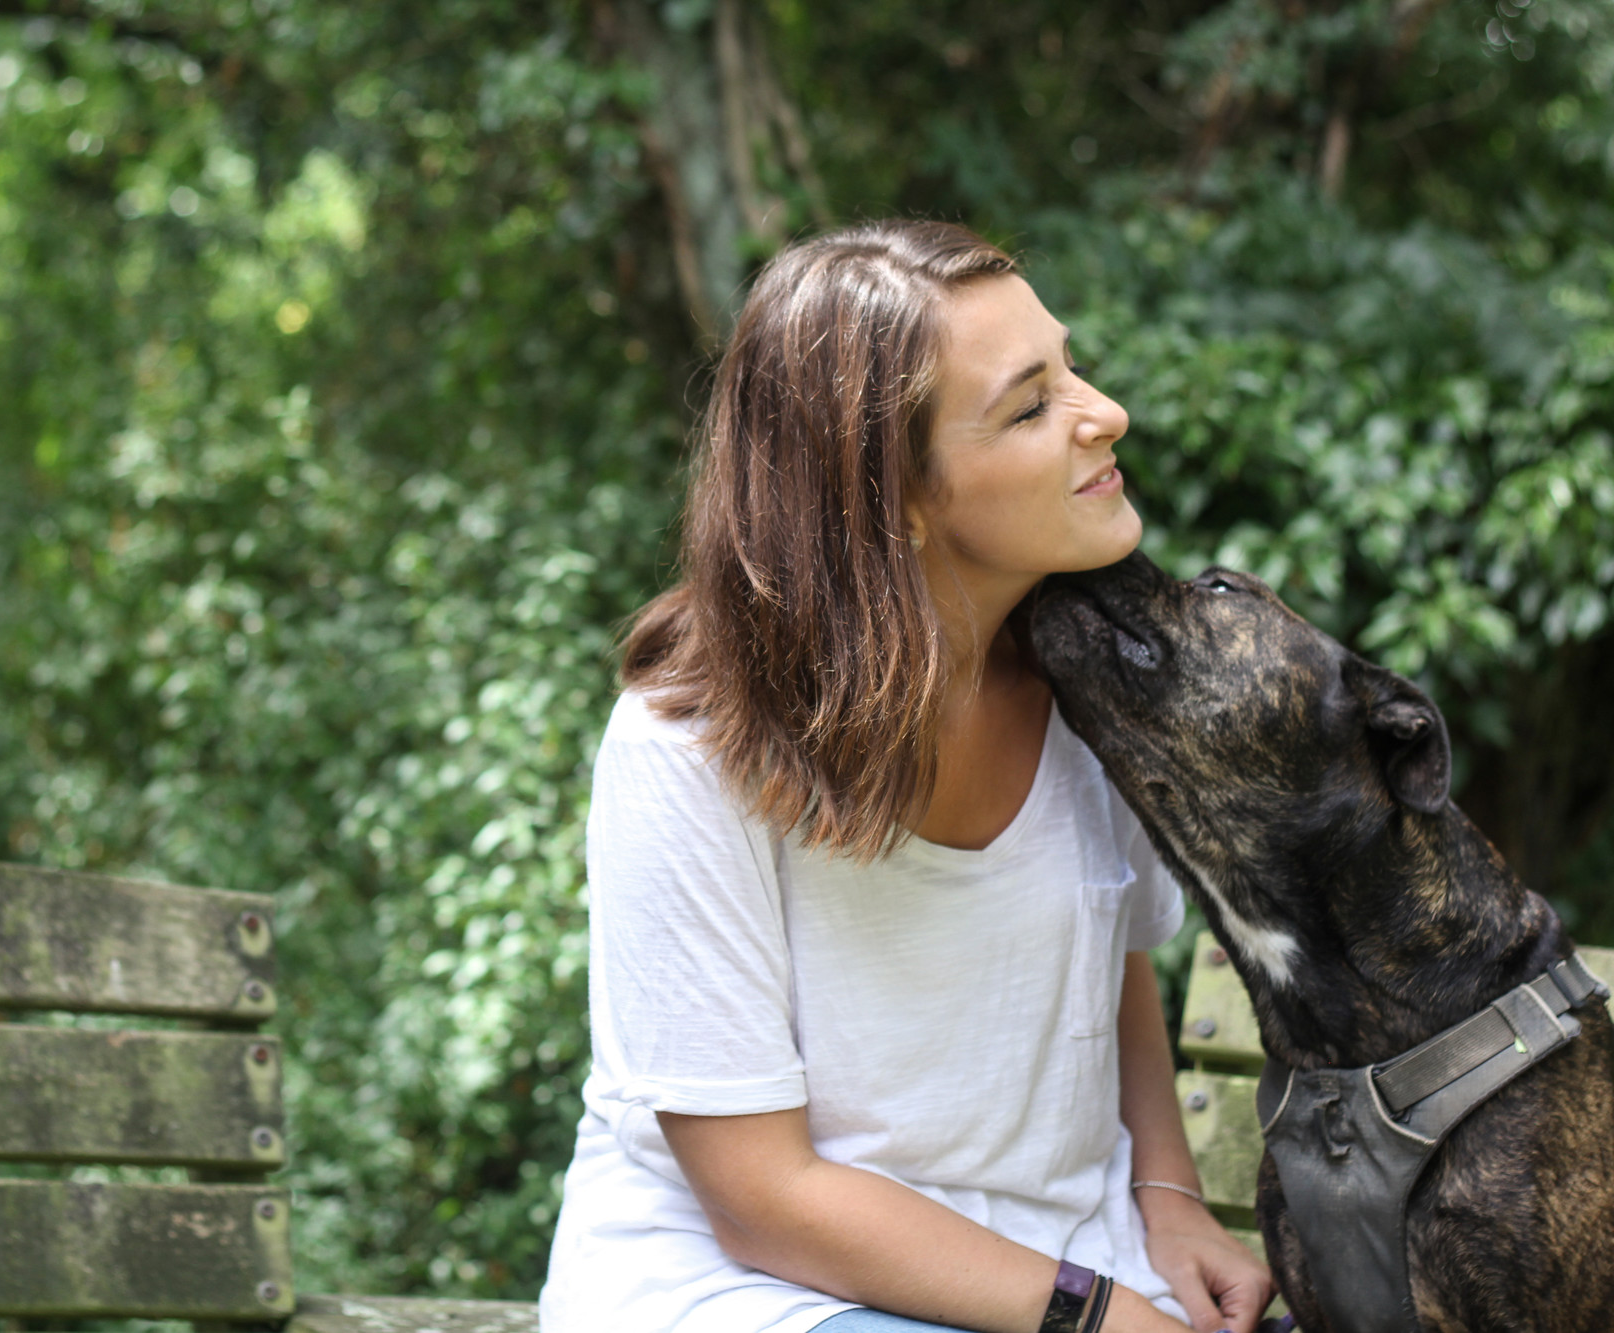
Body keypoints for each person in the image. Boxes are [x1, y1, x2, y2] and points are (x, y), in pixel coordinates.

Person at [538, 221, 1275, 1333]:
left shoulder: (1093, 681)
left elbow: (1106, 950)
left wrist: (1166, 1201)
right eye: (1030, 406)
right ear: (897, 501)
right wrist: (1095, 1317)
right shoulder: (686, 747)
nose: (1102, 413)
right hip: (752, 1290)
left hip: (1061, 1263)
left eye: (1068, 366)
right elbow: (762, 1200)